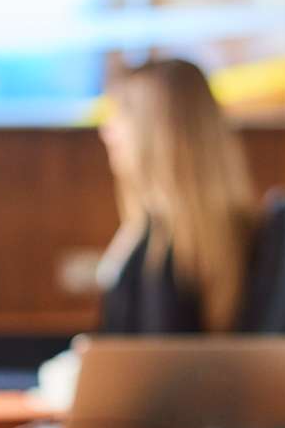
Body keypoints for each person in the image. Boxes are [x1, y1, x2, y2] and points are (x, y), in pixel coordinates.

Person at [95, 58, 258, 333]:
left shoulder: (168, 252)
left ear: (161, 130)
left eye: (123, 113)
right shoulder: (150, 228)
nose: (107, 131)